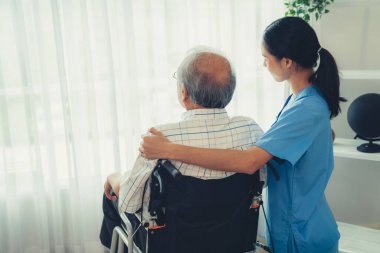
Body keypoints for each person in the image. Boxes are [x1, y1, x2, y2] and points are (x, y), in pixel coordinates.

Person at [140, 17, 346, 253]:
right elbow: (322, 135)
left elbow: (249, 163)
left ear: (287, 61)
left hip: (303, 235)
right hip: (297, 226)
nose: (264, 65)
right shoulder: (304, 99)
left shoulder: (306, 107)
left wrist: (169, 149)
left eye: (266, 59)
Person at [99, 46, 266, 249]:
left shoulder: (161, 138)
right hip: (232, 239)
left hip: (171, 244)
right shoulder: (250, 129)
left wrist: (114, 177)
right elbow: (261, 183)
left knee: (113, 196)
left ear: (184, 92)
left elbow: (128, 203)